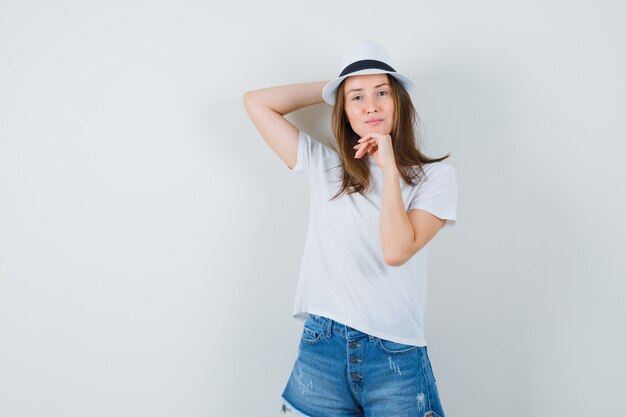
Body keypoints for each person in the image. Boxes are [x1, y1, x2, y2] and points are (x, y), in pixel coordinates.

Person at [243, 41, 457, 417]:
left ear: (399, 102)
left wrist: (390, 166)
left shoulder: (435, 178)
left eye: (381, 93)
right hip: (322, 350)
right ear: (343, 109)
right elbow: (256, 103)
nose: (370, 105)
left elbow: (396, 250)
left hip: (396, 359)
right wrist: (340, 84)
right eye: (357, 97)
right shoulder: (326, 168)